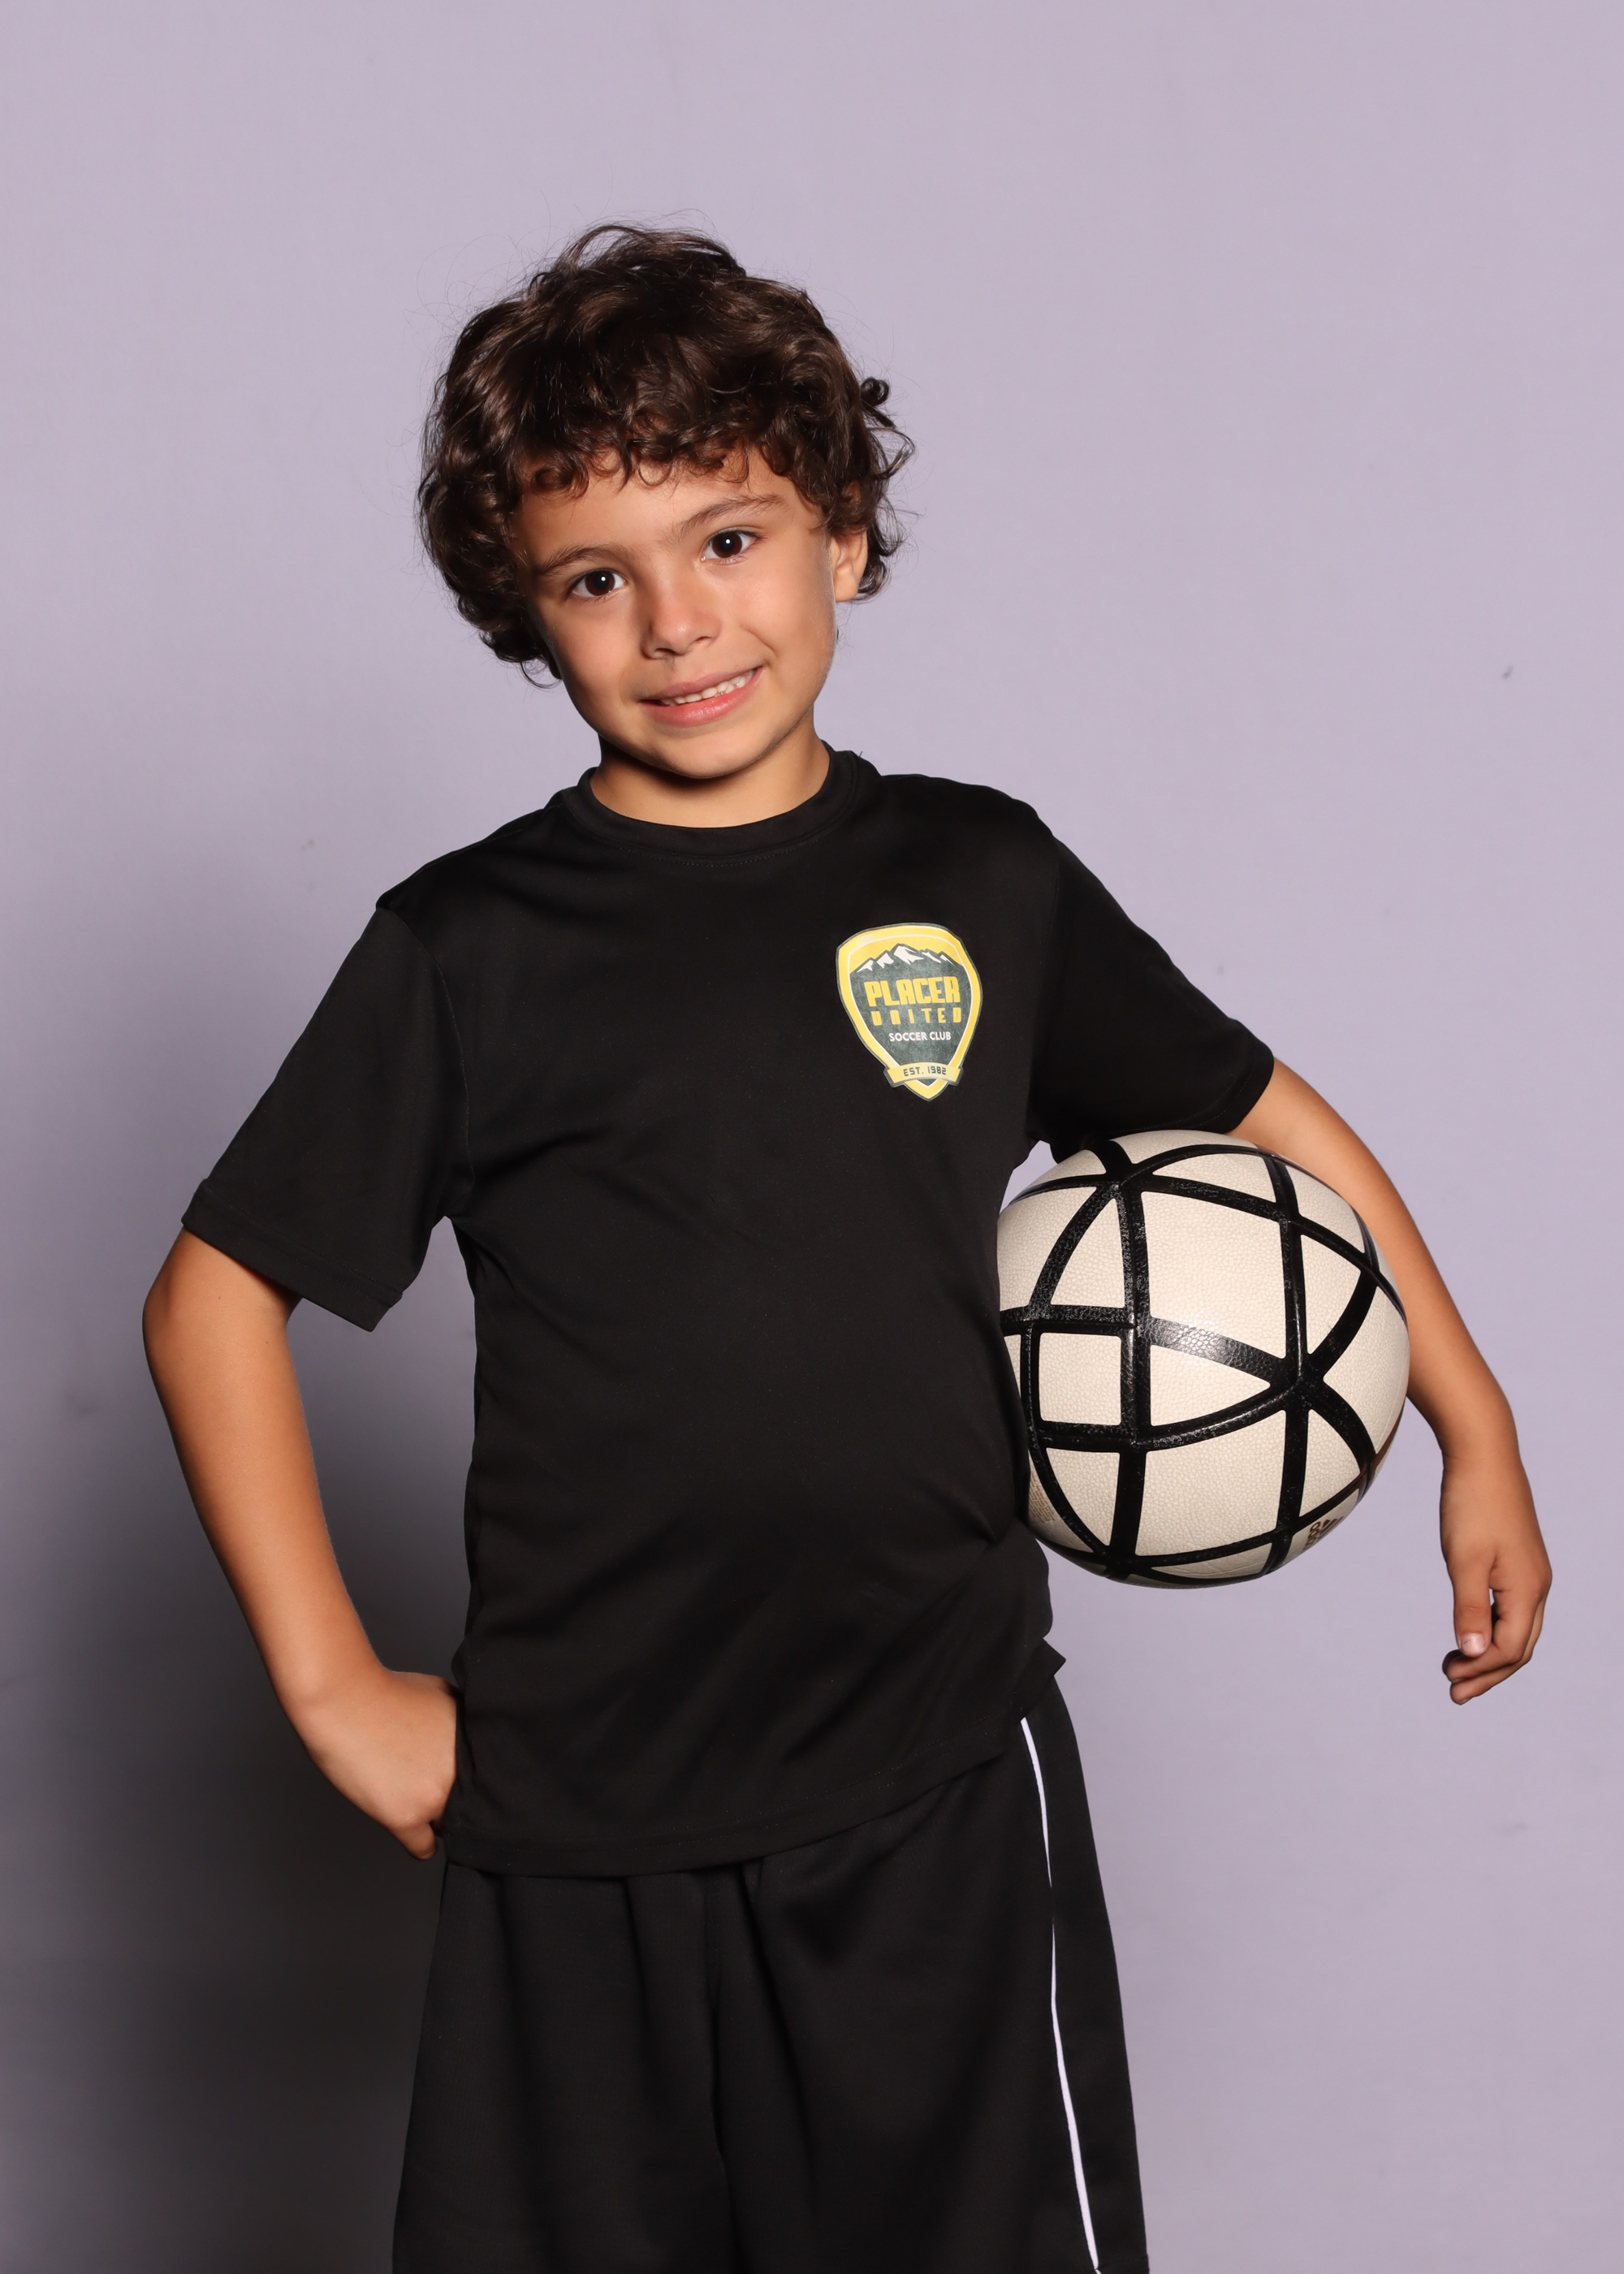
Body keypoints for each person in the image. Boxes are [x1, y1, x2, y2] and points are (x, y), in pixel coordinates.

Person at [142, 226, 1551, 2274]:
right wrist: (331, 1677)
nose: (677, 621)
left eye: (728, 538)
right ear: (523, 615)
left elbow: (1258, 1115)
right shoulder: (472, 947)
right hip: (575, 1819)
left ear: (846, 537)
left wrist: (1470, 1416)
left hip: (934, 1785)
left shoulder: (980, 877)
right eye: (595, 577)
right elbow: (213, 1297)